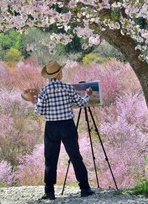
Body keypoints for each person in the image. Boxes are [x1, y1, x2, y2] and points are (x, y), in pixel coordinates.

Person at [27, 60, 95, 200]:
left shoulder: (44, 91)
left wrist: (35, 102)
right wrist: (87, 94)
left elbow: (39, 110)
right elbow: (81, 103)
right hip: (67, 126)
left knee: (50, 159)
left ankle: (49, 192)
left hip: (51, 127)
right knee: (75, 156)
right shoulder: (68, 88)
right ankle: (84, 188)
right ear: (59, 73)